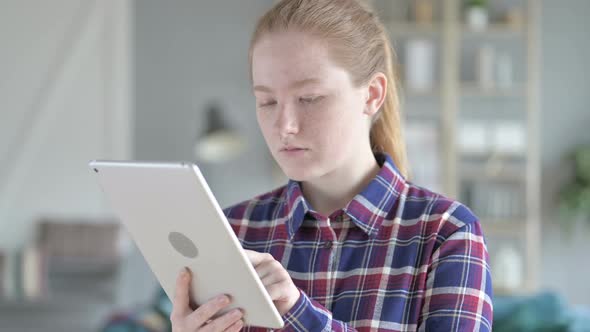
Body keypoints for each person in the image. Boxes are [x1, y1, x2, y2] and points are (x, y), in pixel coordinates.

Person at [170, 0, 493, 331]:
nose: (285, 126)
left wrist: (298, 311)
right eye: (267, 101)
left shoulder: (446, 233)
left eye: (309, 98)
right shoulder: (232, 231)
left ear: (372, 94)